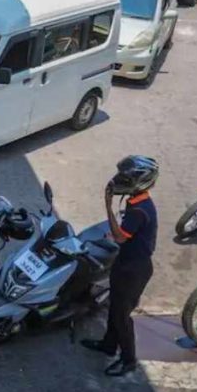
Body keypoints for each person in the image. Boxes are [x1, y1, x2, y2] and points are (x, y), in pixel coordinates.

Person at [81, 155, 159, 377]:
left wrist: (107, 204)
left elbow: (120, 237)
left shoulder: (139, 210)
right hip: (125, 263)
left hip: (134, 270)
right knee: (114, 309)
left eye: (125, 178)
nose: (117, 181)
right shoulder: (137, 202)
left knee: (121, 316)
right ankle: (108, 345)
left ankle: (128, 360)